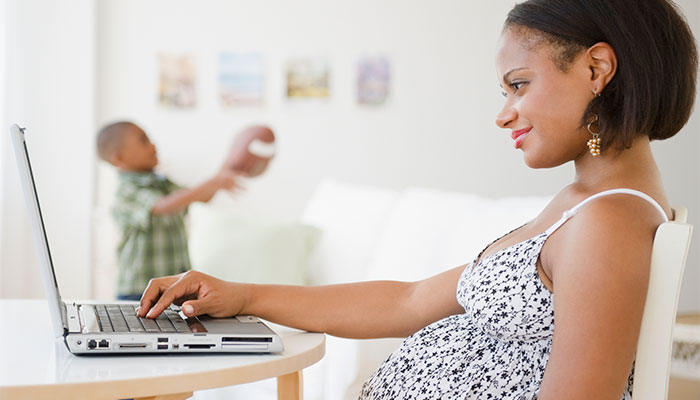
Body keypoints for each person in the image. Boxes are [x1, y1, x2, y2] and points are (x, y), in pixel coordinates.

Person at [136, 0, 698, 398]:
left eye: (518, 84)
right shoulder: (585, 203)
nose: (503, 113)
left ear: (597, 68)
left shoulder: (609, 219)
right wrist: (242, 294)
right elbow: (407, 301)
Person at [96, 121, 239, 300]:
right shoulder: (125, 192)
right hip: (139, 290)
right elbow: (161, 206)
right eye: (143, 140)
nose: (153, 144)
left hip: (175, 286)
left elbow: (197, 197)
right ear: (120, 159)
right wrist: (213, 182)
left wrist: (226, 169)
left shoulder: (163, 183)